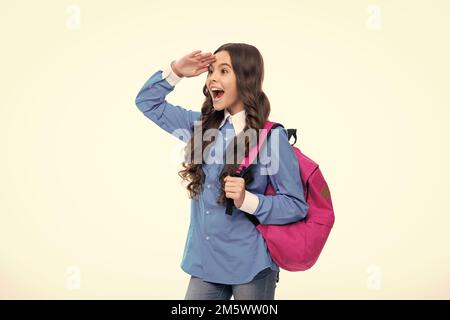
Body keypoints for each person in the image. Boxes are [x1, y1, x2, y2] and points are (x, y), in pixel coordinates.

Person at [134, 43, 308, 300]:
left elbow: (296, 206)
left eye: (224, 71)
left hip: (252, 265)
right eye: (211, 71)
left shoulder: (271, 137)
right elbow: (147, 102)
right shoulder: (199, 127)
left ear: (246, 79)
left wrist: (246, 200)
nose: (213, 77)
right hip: (204, 264)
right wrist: (176, 71)